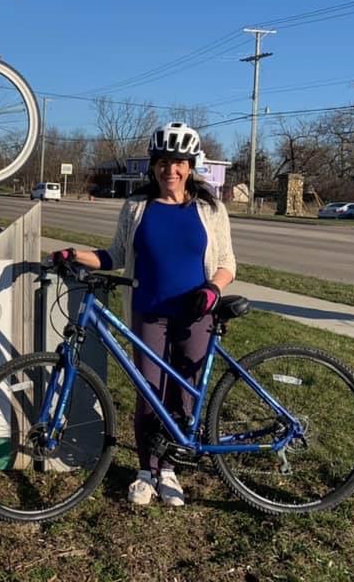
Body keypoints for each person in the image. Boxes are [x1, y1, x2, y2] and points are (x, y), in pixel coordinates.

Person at [52, 121, 236, 508]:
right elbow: (115, 256)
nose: (171, 170)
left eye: (179, 163)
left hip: (195, 314)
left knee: (184, 393)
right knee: (149, 393)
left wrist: (212, 289)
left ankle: (169, 469)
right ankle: (145, 471)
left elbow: (226, 263)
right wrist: (75, 255)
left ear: (191, 166)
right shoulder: (137, 207)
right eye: (163, 162)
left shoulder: (209, 209)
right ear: (153, 166)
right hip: (148, 312)